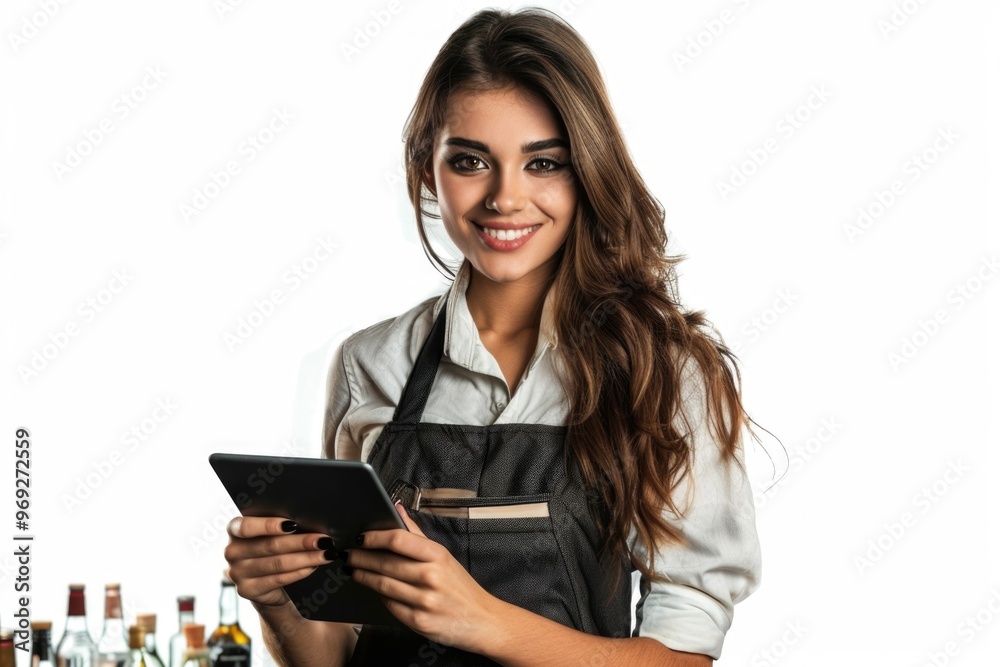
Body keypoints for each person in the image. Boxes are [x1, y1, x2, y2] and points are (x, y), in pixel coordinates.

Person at [223, 7, 762, 666]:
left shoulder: (664, 373)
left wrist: (482, 620)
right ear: (426, 169)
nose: (505, 198)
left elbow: (683, 657)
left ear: (586, 171)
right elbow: (336, 650)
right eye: (472, 160)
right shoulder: (369, 365)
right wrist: (279, 600)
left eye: (544, 163)